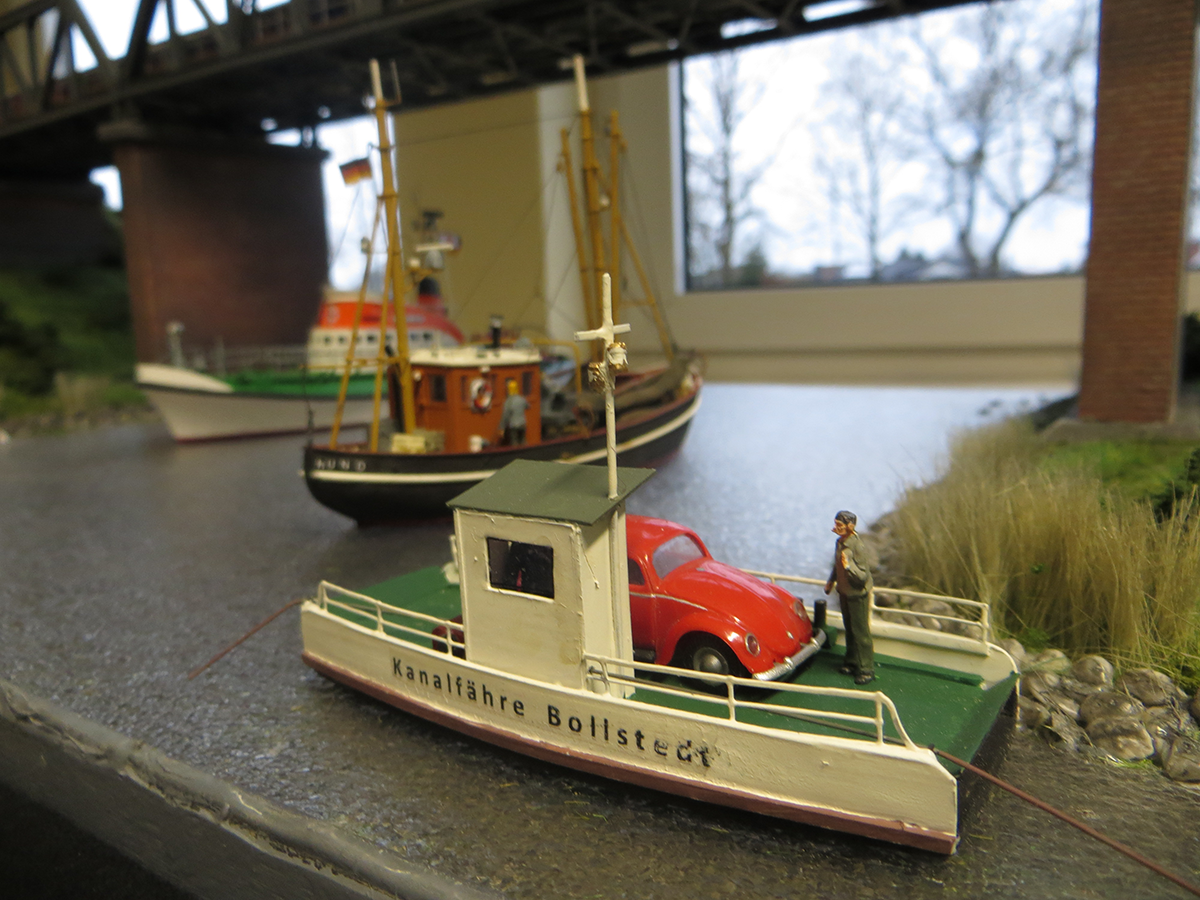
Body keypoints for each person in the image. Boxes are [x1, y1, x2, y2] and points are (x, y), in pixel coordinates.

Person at [823, 510, 875, 684]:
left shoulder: (857, 546)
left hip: (857, 595)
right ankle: (851, 661)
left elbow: (863, 576)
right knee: (850, 630)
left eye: (840, 525)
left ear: (850, 526)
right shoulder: (840, 542)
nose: (836, 528)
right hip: (844, 592)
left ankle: (866, 669)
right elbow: (837, 565)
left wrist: (849, 566)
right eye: (836, 524)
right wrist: (831, 581)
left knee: (861, 633)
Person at [500, 379, 529, 445]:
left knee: (514, 441)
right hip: (522, 423)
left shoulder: (508, 401)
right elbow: (527, 406)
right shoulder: (522, 399)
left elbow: (505, 415)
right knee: (523, 440)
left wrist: (502, 427)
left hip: (513, 425)